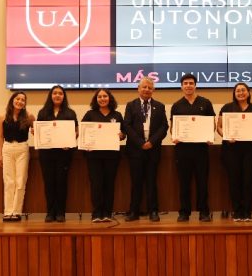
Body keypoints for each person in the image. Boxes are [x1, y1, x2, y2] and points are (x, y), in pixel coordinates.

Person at [170, 73, 215, 222]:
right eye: (185, 83)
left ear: (195, 85)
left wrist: (210, 136)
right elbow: (172, 127)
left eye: (191, 83)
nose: (188, 85)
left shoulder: (206, 102)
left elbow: (211, 124)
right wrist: (174, 135)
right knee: (184, 183)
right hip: (182, 150)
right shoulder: (176, 105)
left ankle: (204, 212)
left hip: (201, 150)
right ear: (181, 86)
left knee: (202, 182)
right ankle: (184, 212)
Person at [123, 77, 169, 222]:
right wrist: (140, 143)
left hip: (153, 150)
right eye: (144, 87)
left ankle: (153, 211)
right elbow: (127, 126)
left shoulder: (160, 106)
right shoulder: (131, 105)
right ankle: (133, 211)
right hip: (135, 150)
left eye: (150, 87)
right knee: (136, 182)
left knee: (151, 182)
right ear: (138, 88)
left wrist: (151, 142)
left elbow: (164, 127)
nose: (147, 90)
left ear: (153, 90)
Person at [217, 83, 252, 222]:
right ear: (234, 93)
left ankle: (247, 212)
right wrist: (226, 136)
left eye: (243, 90)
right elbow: (219, 127)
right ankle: (237, 211)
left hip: (251, 151)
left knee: (248, 181)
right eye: (238, 91)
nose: (240, 93)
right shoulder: (227, 108)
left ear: (248, 92)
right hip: (231, 150)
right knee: (234, 181)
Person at [81, 89, 125, 223]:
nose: (102, 99)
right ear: (96, 99)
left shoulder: (117, 115)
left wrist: (121, 135)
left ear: (109, 98)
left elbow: (123, 134)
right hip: (94, 156)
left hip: (112, 156)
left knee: (109, 184)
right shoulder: (89, 114)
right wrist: (85, 143)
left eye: (105, 96)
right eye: (99, 96)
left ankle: (107, 212)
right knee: (96, 184)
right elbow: (83, 133)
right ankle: (96, 213)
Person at [37, 85, 78, 223]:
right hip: (46, 154)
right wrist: (36, 133)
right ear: (51, 95)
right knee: (49, 183)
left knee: (61, 183)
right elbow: (40, 132)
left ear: (64, 96)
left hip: (64, 154)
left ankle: (60, 213)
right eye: (55, 93)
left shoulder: (70, 113)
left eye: (60, 93)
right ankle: (50, 212)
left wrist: (70, 141)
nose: (57, 95)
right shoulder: (43, 113)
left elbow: (76, 132)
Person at [0, 91, 35, 222]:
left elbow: (38, 132)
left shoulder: (29, 117)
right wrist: (0, 154)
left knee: (20, 181)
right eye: (17, 99)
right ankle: (8, 212)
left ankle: (17, 212)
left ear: (25, 103)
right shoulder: (2, 117)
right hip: (7, 148)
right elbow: (1, 137)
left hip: (22, 148)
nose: (20, 101)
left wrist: (34, 130)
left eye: (23, 100)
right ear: (12, 100)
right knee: (9, 181)